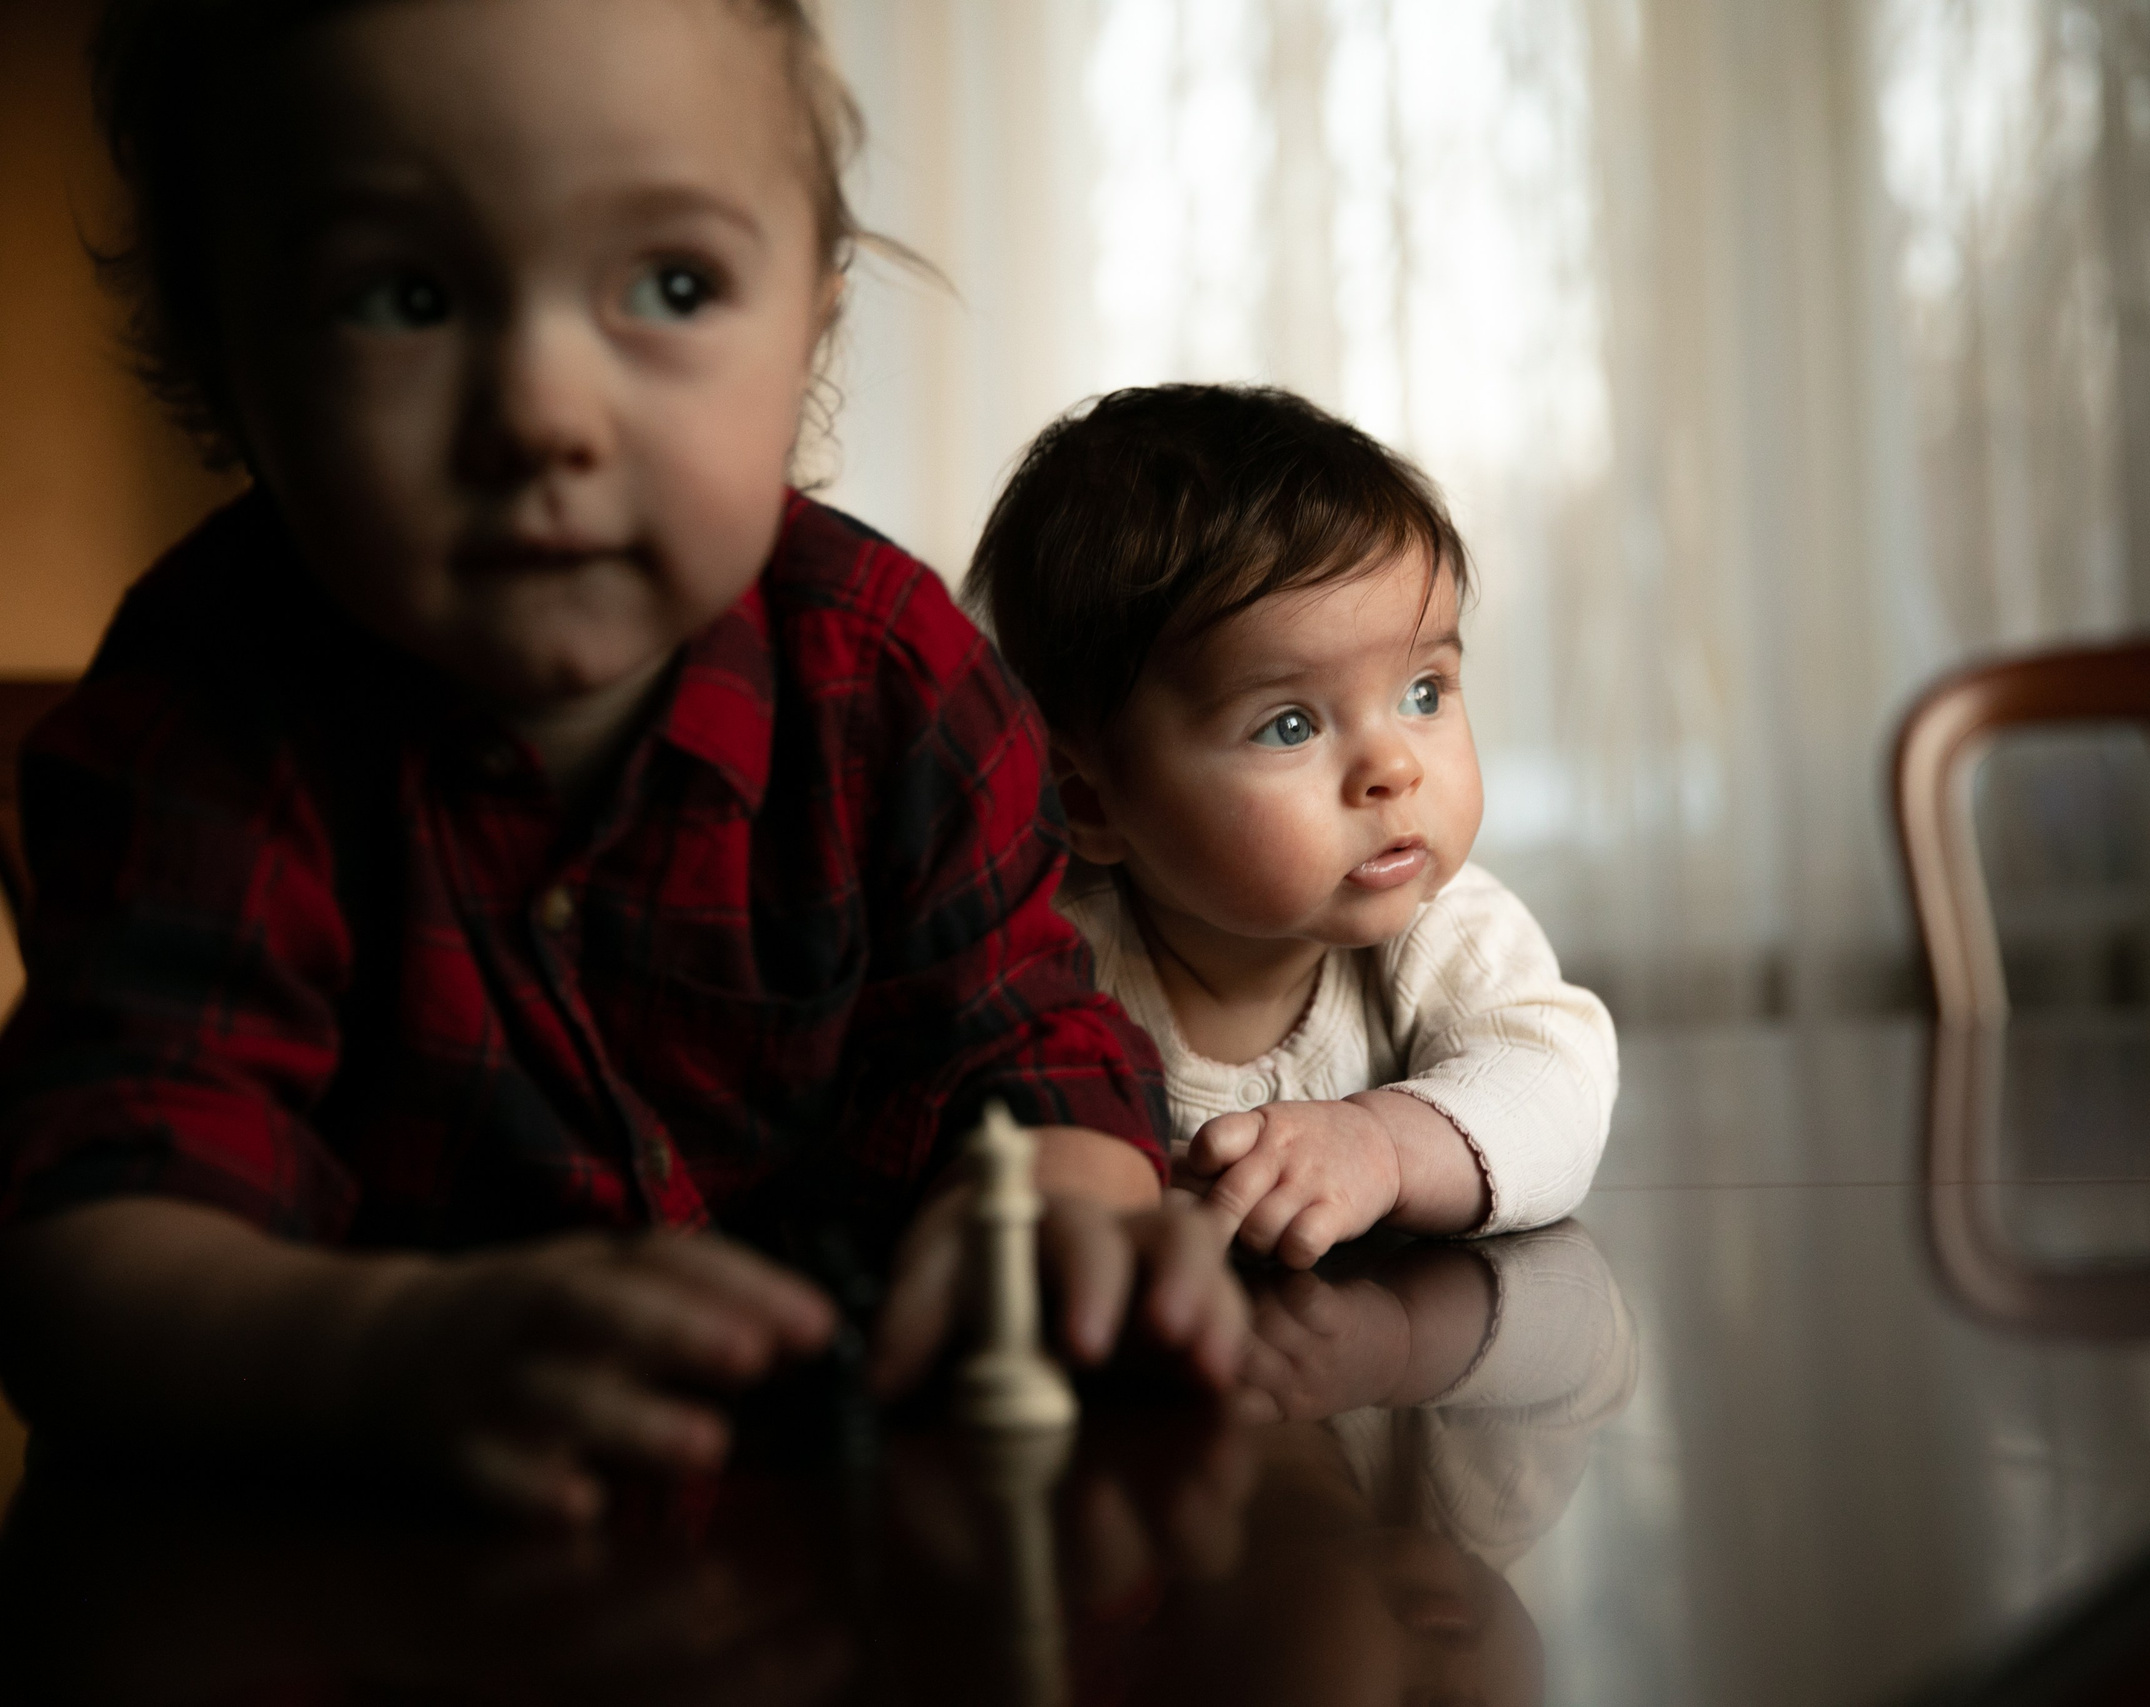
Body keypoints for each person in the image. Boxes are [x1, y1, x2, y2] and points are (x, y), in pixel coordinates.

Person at [0, 0, 1247, 1524]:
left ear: (813, 324)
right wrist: (386, 1350)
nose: (540, 413)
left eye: (670, 281)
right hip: (393, 1568)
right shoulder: (209, 712)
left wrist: (1066, 1217)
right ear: (223, 346)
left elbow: (1025, 1048)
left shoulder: (891, 674)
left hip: (856, 1539)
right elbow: (89, 1247)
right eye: (400, 296)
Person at [965, 385, 1616, 1267]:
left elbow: (1557, 1085)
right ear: (1089, 800)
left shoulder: (1446, 923)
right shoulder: (1053, 962)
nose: (1396, 767)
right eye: (1291, 725)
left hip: (1393, 1365)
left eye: (1424, 693)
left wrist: (1384, 1145)